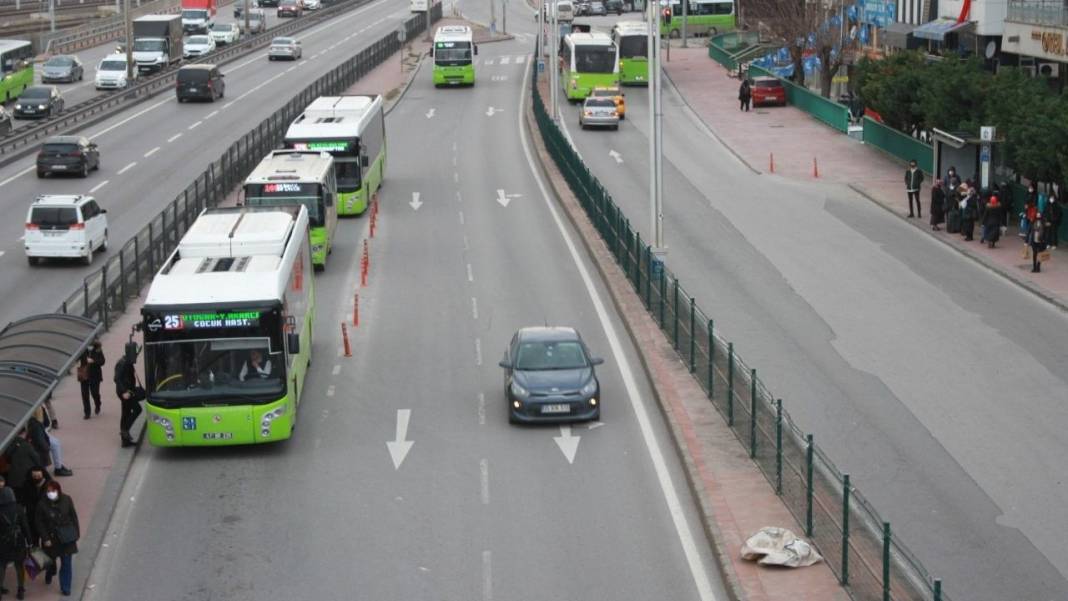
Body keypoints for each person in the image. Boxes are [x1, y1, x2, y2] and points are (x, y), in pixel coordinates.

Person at [35, 481, 78, 597]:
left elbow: (73, 517)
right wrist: (45, 538)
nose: (51, 493)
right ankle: (50, 572)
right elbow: (39, 523)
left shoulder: (67, 499)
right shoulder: (42, 504)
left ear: (58, 490)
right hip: (51, 540)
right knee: (50, 562)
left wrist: (75, 534)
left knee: (66, 563)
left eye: (53, 491)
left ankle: (65, 587)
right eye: (48, 491)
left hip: (66, 538)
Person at [0, 485, 30, 600]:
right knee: (19, 566)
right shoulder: (19, 508)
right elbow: (25, 526)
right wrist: (30, 541)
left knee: (1, 565)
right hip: (19, 541)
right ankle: (21, 589)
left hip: (3, 542)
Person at [114, 347, 142, 448]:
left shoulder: (128, 362)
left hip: (129, 391)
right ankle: (124, 431)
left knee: (125, 413)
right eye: (135, 355)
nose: (136, 358)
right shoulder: (122, 363)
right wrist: (124, 392)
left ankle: (125, 441)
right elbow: (117, 378)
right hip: (125, 393)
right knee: (138, 409)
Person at [2, 436, 40, 506]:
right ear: (23, 433)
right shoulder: (27, 445)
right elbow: (37, 458)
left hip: (13, 479)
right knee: (27, 498)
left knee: (17, 497)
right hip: (25, 478)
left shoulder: (9, 445)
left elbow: (7, 457)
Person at [19, 467, 51, 544]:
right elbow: (23, 499)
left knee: (46, 539)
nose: (36, 478)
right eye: (34, 476)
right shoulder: (26, 484)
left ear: (43, 475)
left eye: (38, 476)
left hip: (45, 516)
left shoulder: (49, 485)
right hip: (32, 515)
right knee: (34, 538)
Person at [77, 340, 105, 419]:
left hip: (94, 374)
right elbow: (76, 358)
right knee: (85, 394)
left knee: (95, 392)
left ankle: (98, 404)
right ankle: (87, 413)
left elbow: (102, 361)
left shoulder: (97, 349)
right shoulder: (80, 348)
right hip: (83, 372)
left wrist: (94, 361)